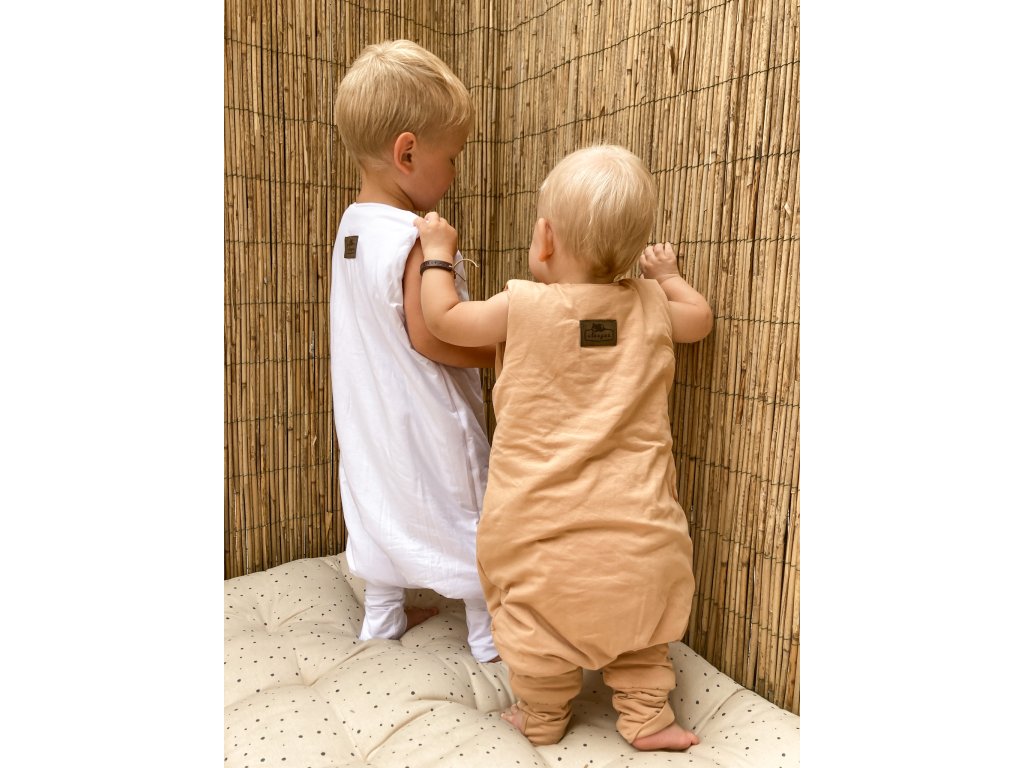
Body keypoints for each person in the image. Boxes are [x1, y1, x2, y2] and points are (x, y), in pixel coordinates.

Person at [414, 144, 714, 749]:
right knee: (643, 635)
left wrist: (437, 256)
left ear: (545, 240)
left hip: (538, 535)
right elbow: (700, 319)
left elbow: (443, 320)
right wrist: (668, 277)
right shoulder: (651, 305)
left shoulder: (521, 306)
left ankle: (544, 714)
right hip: (640, 536)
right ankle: (647, 716)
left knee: (535, 631)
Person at [328, 39, 498, 663]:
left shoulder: (351, 228)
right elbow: (434, 335)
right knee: (464, 506)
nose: (454, 173)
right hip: (427, 416)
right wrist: (503, 351)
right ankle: (489, 635)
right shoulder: (414, 238)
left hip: (371, 417)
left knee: (379, 498)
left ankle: (383, 618)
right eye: (451, 158)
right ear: (407, 154)